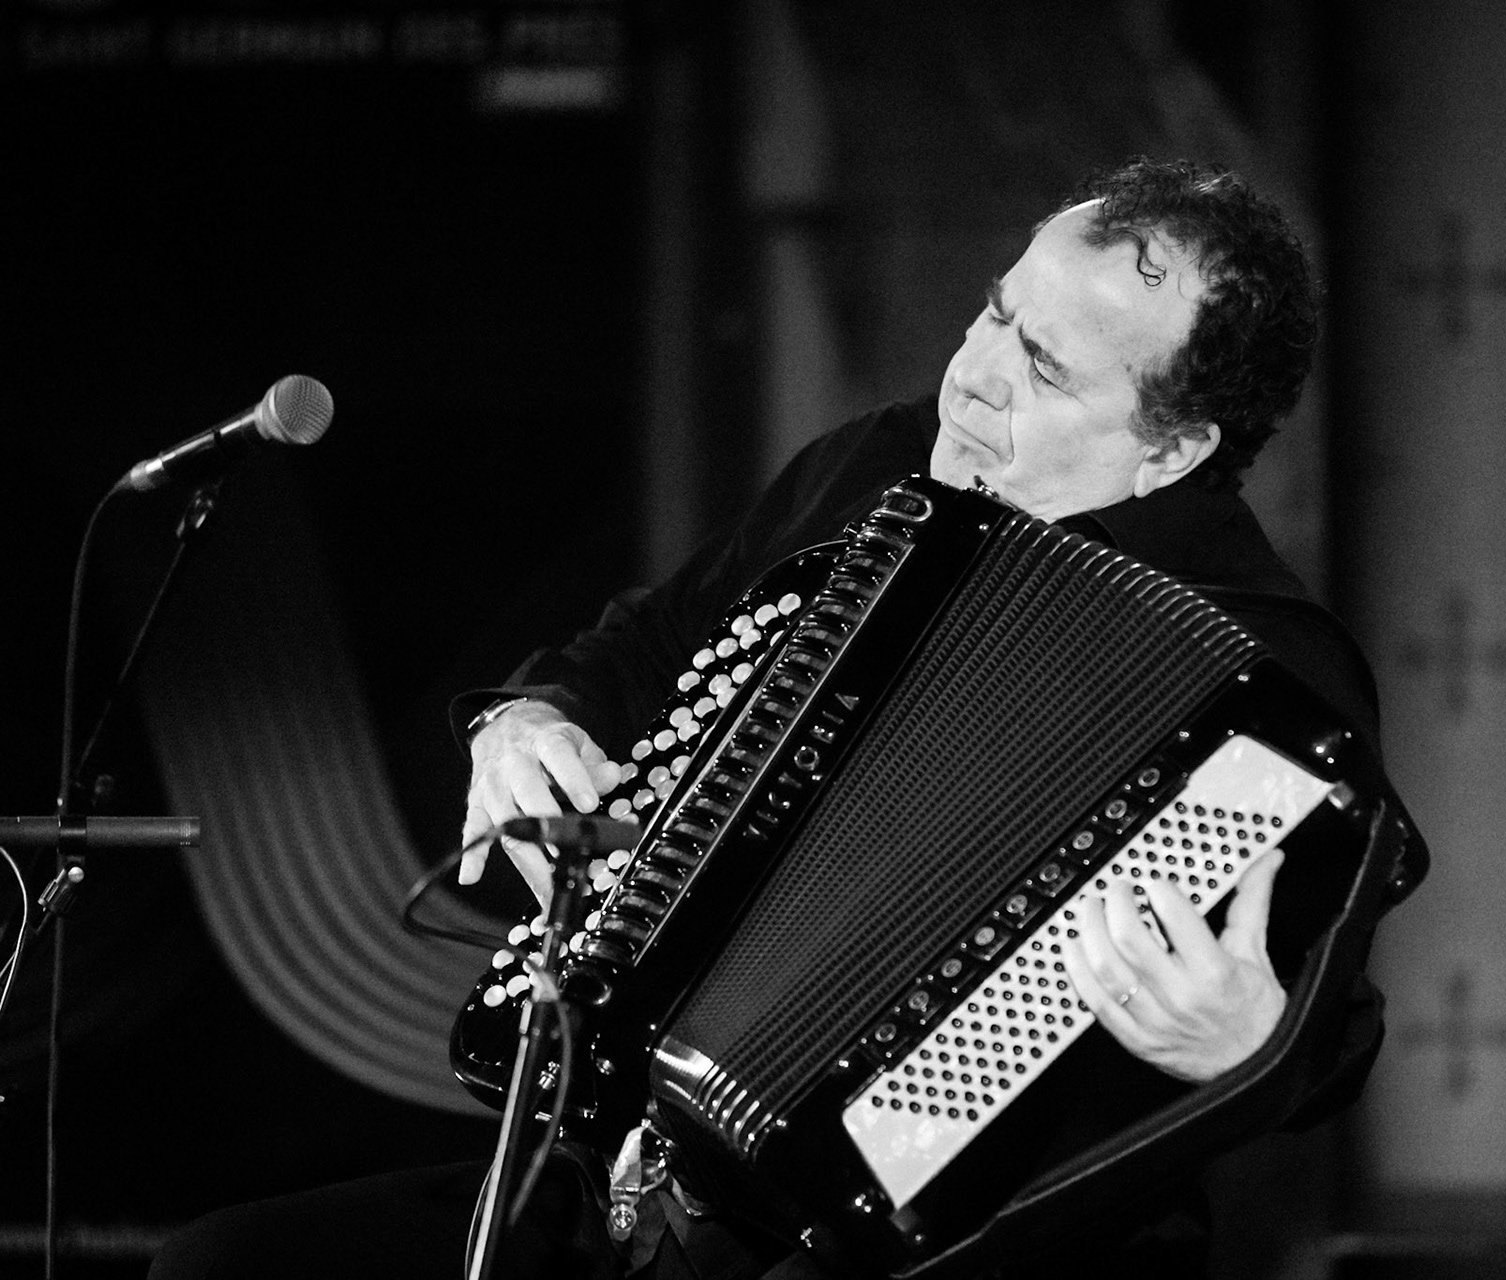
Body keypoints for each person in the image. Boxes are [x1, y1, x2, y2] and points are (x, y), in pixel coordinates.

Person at [152, 158, 1397, 1280]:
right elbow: (645, 641)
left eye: (1046, 368)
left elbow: (1332, 1023)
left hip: (962, 1239)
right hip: (638, 1173)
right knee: (231, 1263)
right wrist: (526, 720)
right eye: (997, 313)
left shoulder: (1261, 685)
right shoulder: (882, 466)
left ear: (1170, 450)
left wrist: (1255, 1038)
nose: (975, 375)